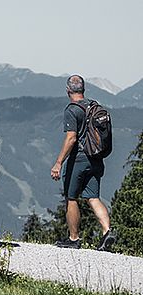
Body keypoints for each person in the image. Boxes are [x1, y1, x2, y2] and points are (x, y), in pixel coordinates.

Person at [50, 75, 116, 250]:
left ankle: (74, 239)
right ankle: (107, 231)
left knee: (71, 198)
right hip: (96, 158)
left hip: (79, 159)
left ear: (68, 90)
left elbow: (71, 138)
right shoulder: (94, 106)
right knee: (93, 197)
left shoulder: (72, 110)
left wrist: (58, 162)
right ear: (83, 89)